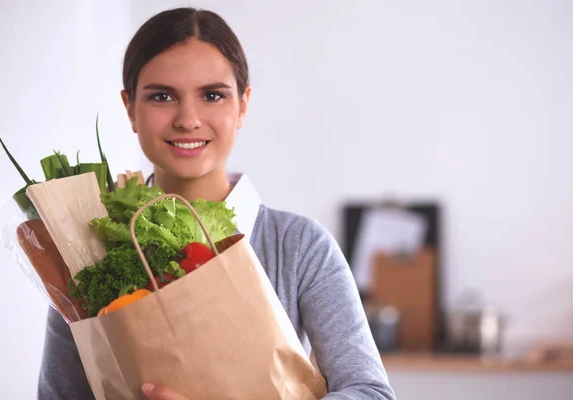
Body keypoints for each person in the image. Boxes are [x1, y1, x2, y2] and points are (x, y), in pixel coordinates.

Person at [38, 7, 396, 400]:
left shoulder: (298, 245)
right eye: (162, 96)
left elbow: (370, 392)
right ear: (130, 109)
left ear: (242, 105)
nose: (188, 119)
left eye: (212, 95)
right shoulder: (87, 253)